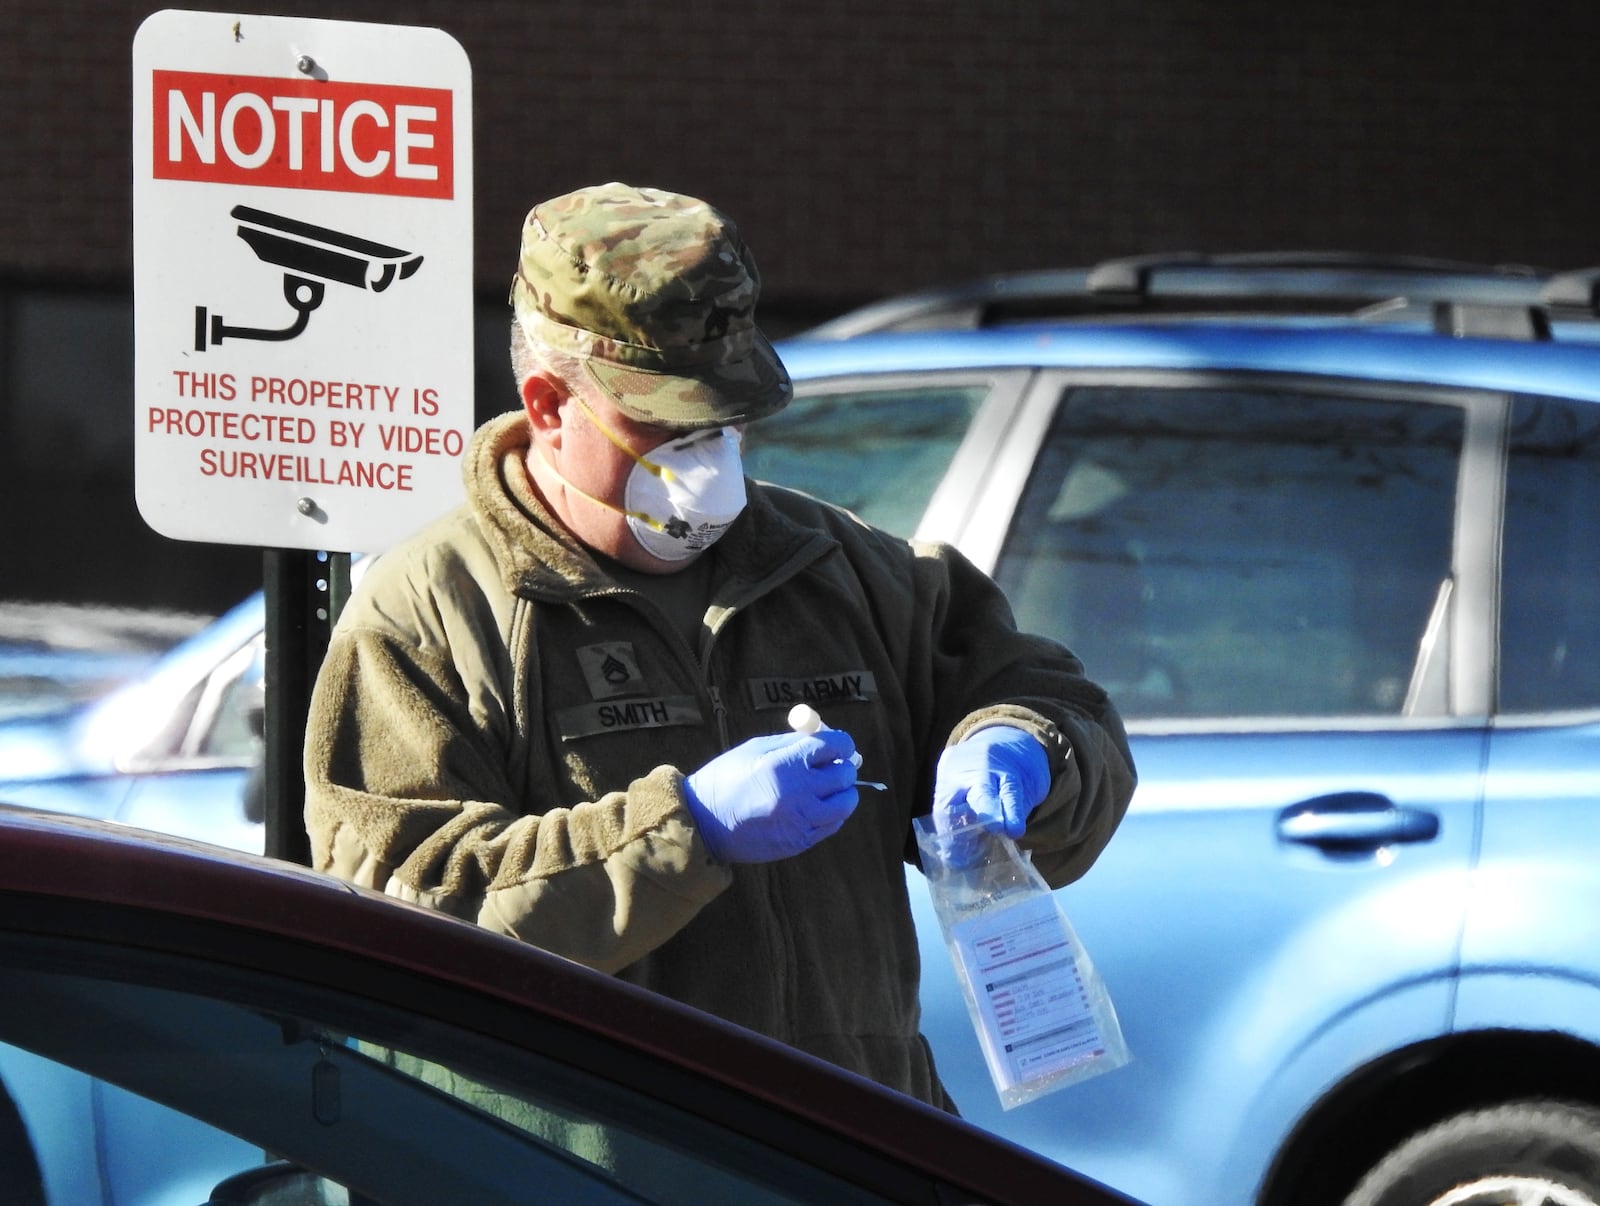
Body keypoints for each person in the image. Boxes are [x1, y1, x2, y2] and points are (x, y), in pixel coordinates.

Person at [303, 182, 1136, 1112]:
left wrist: (1027, 747)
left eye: (727, 424)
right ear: (546, 405)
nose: (708, 469)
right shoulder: (433, 613)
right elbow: (410, 920)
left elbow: (1044, 694)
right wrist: (684, 831)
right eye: (667, 429)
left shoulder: (836, 569)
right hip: (595, 1166)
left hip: (843, 1151)